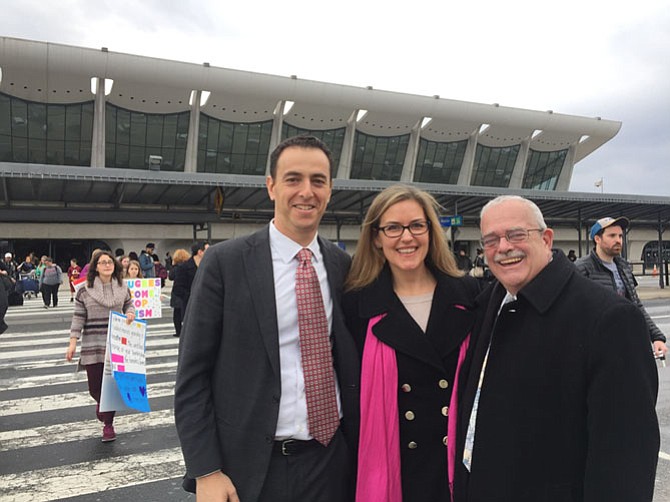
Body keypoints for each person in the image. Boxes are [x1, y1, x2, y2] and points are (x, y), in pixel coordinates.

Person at [174, 135, 359, 502]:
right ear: (271, 187)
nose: (306, 191)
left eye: (318, 181)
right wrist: (206, 471)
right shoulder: (226, 263)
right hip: (253, 470)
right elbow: (192, 375)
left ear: (330, 190)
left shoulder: (343, 267)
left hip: (332, 462)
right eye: (293, 179)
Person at [454, 196, 659, 502]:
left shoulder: (609, 318)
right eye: (491, 240)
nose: (504, 247)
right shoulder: (489, 303)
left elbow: (626, 456)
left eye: (516, 235)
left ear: (546, 238)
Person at [343, 185, 478, 502]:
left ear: (431, 232)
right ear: (376, 237)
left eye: (417, 225)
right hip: (396, 474)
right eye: (393, 228)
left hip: (459, 470)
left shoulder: (470, 295)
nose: (407, 237)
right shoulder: (356, 306)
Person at [65, 250, 135, 442]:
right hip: (92, 344)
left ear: (115, 266)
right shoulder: (84, 290)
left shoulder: (123, 287)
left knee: (111, 388)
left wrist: (130, 313)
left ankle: (108, 425)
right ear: (96, 266)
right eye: (103, 262)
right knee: (95, 388)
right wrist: (72, 342)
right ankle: (101, 405)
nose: (107, 265)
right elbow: (78, 318)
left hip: (116, 345)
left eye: (110, 262)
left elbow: (130, 305)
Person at [574, 216, 668, 357]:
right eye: (612, 235)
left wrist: (656, 337)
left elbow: (636, 306)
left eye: (620, 236)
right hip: (597, 349)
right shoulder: (582, 268)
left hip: (625, 342)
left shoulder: (623, 267)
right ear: (597, 239)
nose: (618, 240)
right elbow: (573, 312)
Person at [168, 248, 191, 338]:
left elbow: (171, 277)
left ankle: (178, 331)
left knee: (176, 314)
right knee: (185, 312)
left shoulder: (176, 268)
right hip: (185, 290)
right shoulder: (188, 267)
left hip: (177, 292)